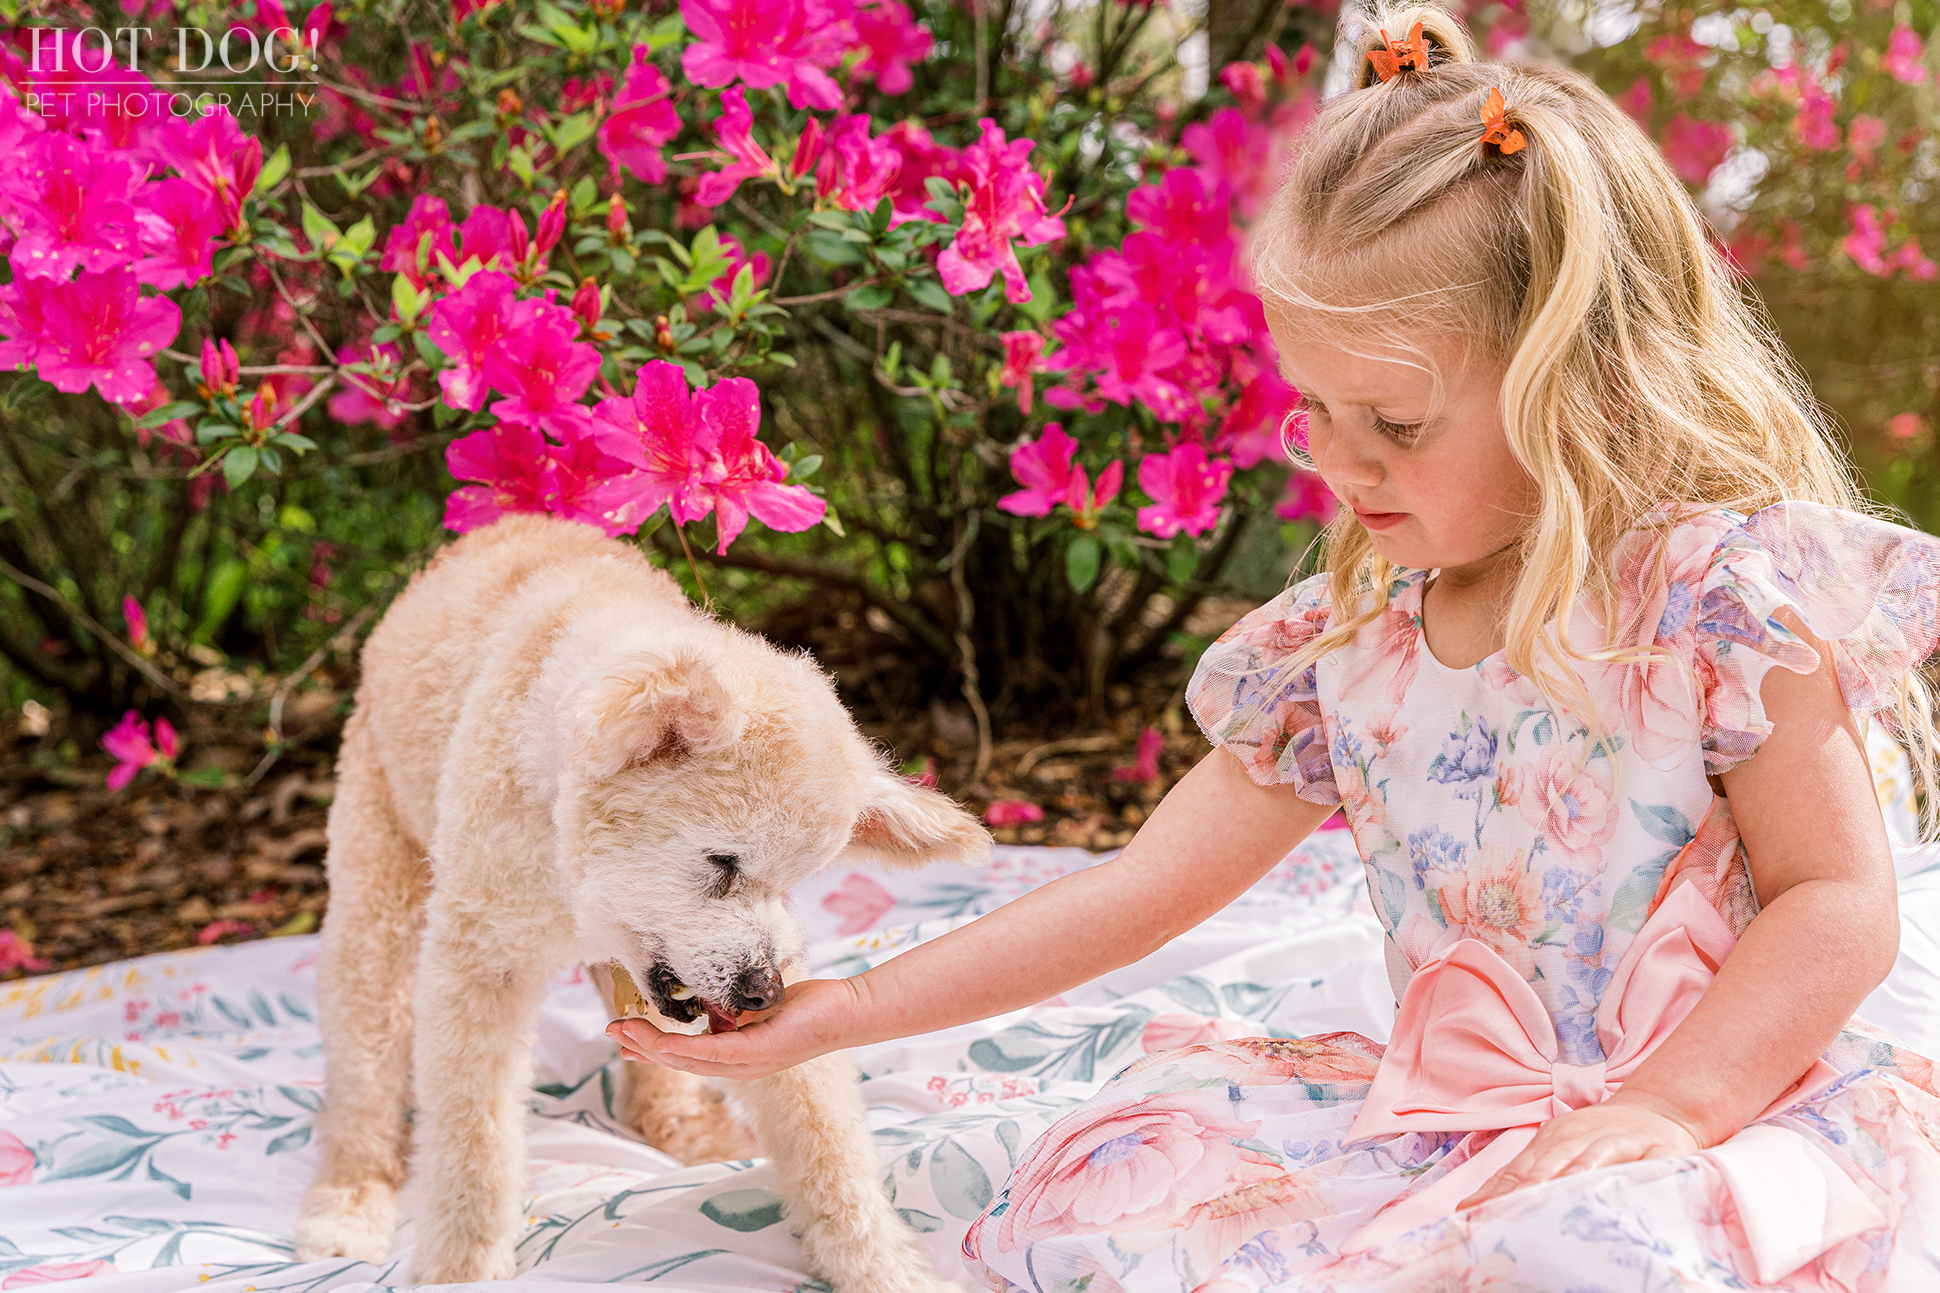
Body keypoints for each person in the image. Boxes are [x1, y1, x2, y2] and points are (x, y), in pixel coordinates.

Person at [611, 7, 1940, 1286]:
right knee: (1115, 1191)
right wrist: (851, 1007)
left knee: (1593, 1250)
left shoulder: (1716, 603)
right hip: (1457, 1115)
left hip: (1719, 1103)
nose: (1341, 461)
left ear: (1576, 382)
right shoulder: (1345, 653)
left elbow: (1838, 899)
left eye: (1399, 423)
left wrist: (1667, 1107)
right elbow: (1140, 892)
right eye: (1316, 405)